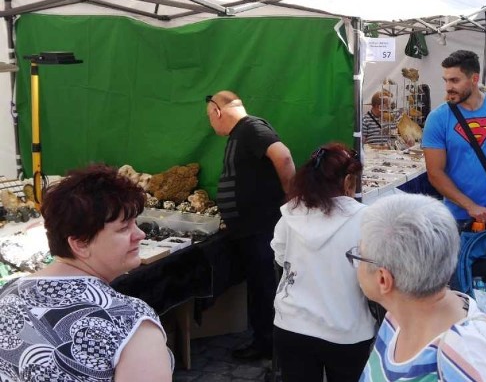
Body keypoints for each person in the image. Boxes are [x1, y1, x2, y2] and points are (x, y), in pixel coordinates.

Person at [0, 164, 173, 381]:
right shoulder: (129, 322)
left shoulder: (8, 294)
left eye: (135, 223)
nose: (140, 234)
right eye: (123, 228)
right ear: (80, 243)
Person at [356, 194, 486, 381]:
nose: (355, 261)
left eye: (359, 254)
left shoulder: (469, 361)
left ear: (383, 279)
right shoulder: (397, 315)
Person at [271, 143, 374, 382]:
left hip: (291, 324)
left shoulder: (290, 213)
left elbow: (280, 256)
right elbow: (370, 276)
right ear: (349, 180)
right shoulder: (365, 219)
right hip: (347, 328)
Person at [206, 90, 296, 360]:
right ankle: (264, 339)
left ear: (217, 112)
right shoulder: (241, 133)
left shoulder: (251, 128)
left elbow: (284, 157)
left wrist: (291, 199)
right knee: (259, 284)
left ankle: (267, 344)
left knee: (264, 285)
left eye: (209, 118)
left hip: (260, 226)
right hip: (249, 228)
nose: (211, 125)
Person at [423, 50, 486, 226]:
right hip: (457, 217)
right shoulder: (437, 118)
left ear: (474, 79)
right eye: (446, 80)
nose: (448, 87)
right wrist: (470, 206)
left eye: (455, 80)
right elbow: (435, 173)